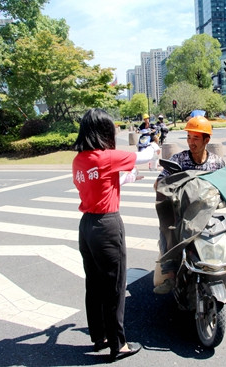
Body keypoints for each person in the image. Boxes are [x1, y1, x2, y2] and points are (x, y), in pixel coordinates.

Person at [73, 108, 160, 361]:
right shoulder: (106, 156)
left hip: (86, 226)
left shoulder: (80, 160)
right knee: (114, 287)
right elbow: (143, 156)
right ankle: (118, 345)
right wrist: (154, 147)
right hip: (107, 226)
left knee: (94, 284)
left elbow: (99, 184)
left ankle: (99, 336)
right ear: (103, 131)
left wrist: (128, 179)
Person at [152, 115, 226, 306]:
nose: (191, 142)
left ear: (207, 140)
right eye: (189, 137)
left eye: (196, 138)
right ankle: (170, 275)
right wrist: (167, 183)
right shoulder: (178, 160)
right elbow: (160, 182)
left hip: (210, 215)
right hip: (184, 214)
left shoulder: (217, 163)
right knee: (167, 232)